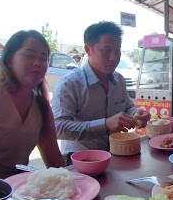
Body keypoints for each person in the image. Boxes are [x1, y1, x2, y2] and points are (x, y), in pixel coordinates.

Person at [0, 30, 65, 179]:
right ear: (9, 59)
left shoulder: (41, 104)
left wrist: (74, 186)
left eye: (43, 58)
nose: (38, 63)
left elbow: (54, 158)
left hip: (19, 191)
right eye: (29, 55)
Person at [51, 21, 150, 156]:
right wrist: (104, 125)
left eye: (117, 50)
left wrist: (137, 113)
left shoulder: (118, 80)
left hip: (114, 151)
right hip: (79, 159)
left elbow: (127, 106)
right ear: (88, 50)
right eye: (106, 50)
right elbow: (58, 128)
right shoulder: (70, 84)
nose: (114, 57)